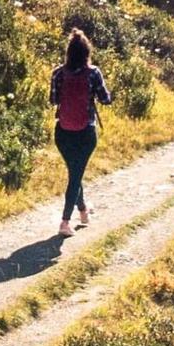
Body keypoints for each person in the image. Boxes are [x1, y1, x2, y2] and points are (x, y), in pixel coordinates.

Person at [50, 29, 109, 236]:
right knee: (75, 176)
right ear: (87, 53)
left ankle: (83, 211)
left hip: (63, 132)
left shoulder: (58, 73)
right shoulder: (93, 73)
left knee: (75, 173)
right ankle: (65, 222)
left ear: (68, 53)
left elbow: (54, 100)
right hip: (86, 132)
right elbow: (105, 99)